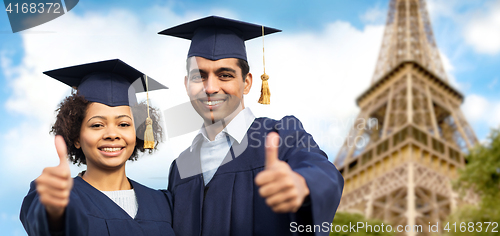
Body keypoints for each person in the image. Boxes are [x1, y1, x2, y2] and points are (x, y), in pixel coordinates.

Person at [159, 16, 344, 235]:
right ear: (186, 84)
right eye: (199, 76)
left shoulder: (281, 136)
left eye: (224, 75)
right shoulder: (180, 167)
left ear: (246, 83)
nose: (210, 88)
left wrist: (302, 184)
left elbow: (324, 172)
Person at [19, 59, 175, 236]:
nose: (112, 134)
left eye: (123, 124)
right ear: (76, 136)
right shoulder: (61, 195)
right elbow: (44, 223)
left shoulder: (163, 203)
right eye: (97, 125)